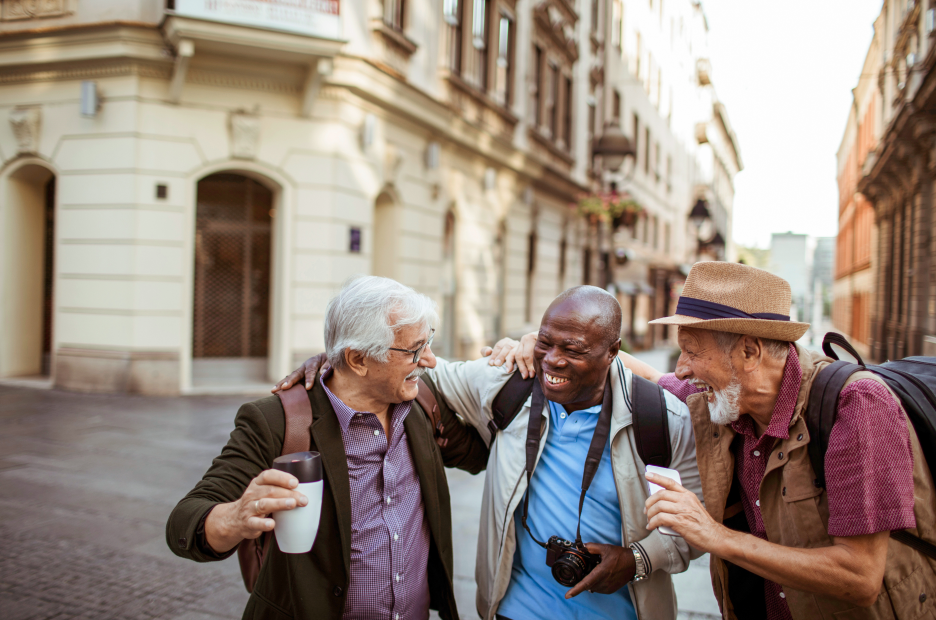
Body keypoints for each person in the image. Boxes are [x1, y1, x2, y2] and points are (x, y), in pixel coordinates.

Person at [501, 261, 936, 619]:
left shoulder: (857, 406)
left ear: (749, 351)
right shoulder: (726, 398)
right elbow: (647, 376)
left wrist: (712, 535)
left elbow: (860, 576)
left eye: (692, 350)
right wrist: (547, 348)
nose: (684, 368)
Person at [280, 285, 702, 620]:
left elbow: (695, 527)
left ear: (613, 353)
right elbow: (422, 371)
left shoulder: (664, 419)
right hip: (512, 609)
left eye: (572, 349)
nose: (552, 361)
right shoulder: (508, 381)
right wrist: (341, 360)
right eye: (546, 343)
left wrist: (638, 559)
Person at [166, 276, 489, 620]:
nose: (429, 360)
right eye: (414, 349)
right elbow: (184, 523)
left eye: (428, 342)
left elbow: (482, 454)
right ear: (358, 360)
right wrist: (236, 517)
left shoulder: (422, 404)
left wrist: (528, 354)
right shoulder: (276, 422)